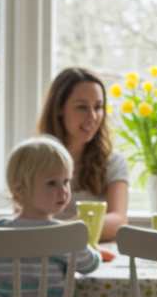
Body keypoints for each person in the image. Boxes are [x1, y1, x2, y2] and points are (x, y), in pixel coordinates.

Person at [0, 136, 101, 297]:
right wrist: (92, 249)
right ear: (20, 190)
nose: (63, 190)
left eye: (66, 181)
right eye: (52, 183)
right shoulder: (63, 234)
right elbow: (90, 264)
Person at [38, 68, 129, 242]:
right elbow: (23, 219)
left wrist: (56, 232)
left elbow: (118, 220)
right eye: (82, 107)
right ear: (59, 109)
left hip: (94, 256)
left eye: (98, 107)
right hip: (44, 257)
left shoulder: (113, 162)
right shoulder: (34, 159)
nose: (93, 116)